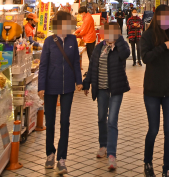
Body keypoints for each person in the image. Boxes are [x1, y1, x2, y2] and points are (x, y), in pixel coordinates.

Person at [82, 20, 130, 171]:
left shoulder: (120, 48)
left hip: (116, 89)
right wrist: (86, 83)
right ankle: (102, 145)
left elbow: (126, 54)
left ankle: (111, 154)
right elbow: (92, 67)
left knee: (112, 120)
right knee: (102, 118)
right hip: (101, 88)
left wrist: (119, 38)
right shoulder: (98, 48)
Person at [38, 10, 83, 175]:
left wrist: (79, 81)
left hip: (68, 87)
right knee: (50, 122)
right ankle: (50, 153)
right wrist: (41, 86)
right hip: (50, 86)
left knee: (65, 121)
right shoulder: (49, 41)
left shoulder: (73, 40)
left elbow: (76, 62)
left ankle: (62, 158)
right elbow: (43, 65)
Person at [140, 4, 169, 177]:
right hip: (152, 91)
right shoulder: (148, 35)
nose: (167, 19)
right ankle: (148, 163)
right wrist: (162, 47)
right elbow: (145, 58)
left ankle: (166, 168)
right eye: (164, 16)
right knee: (153, 130)